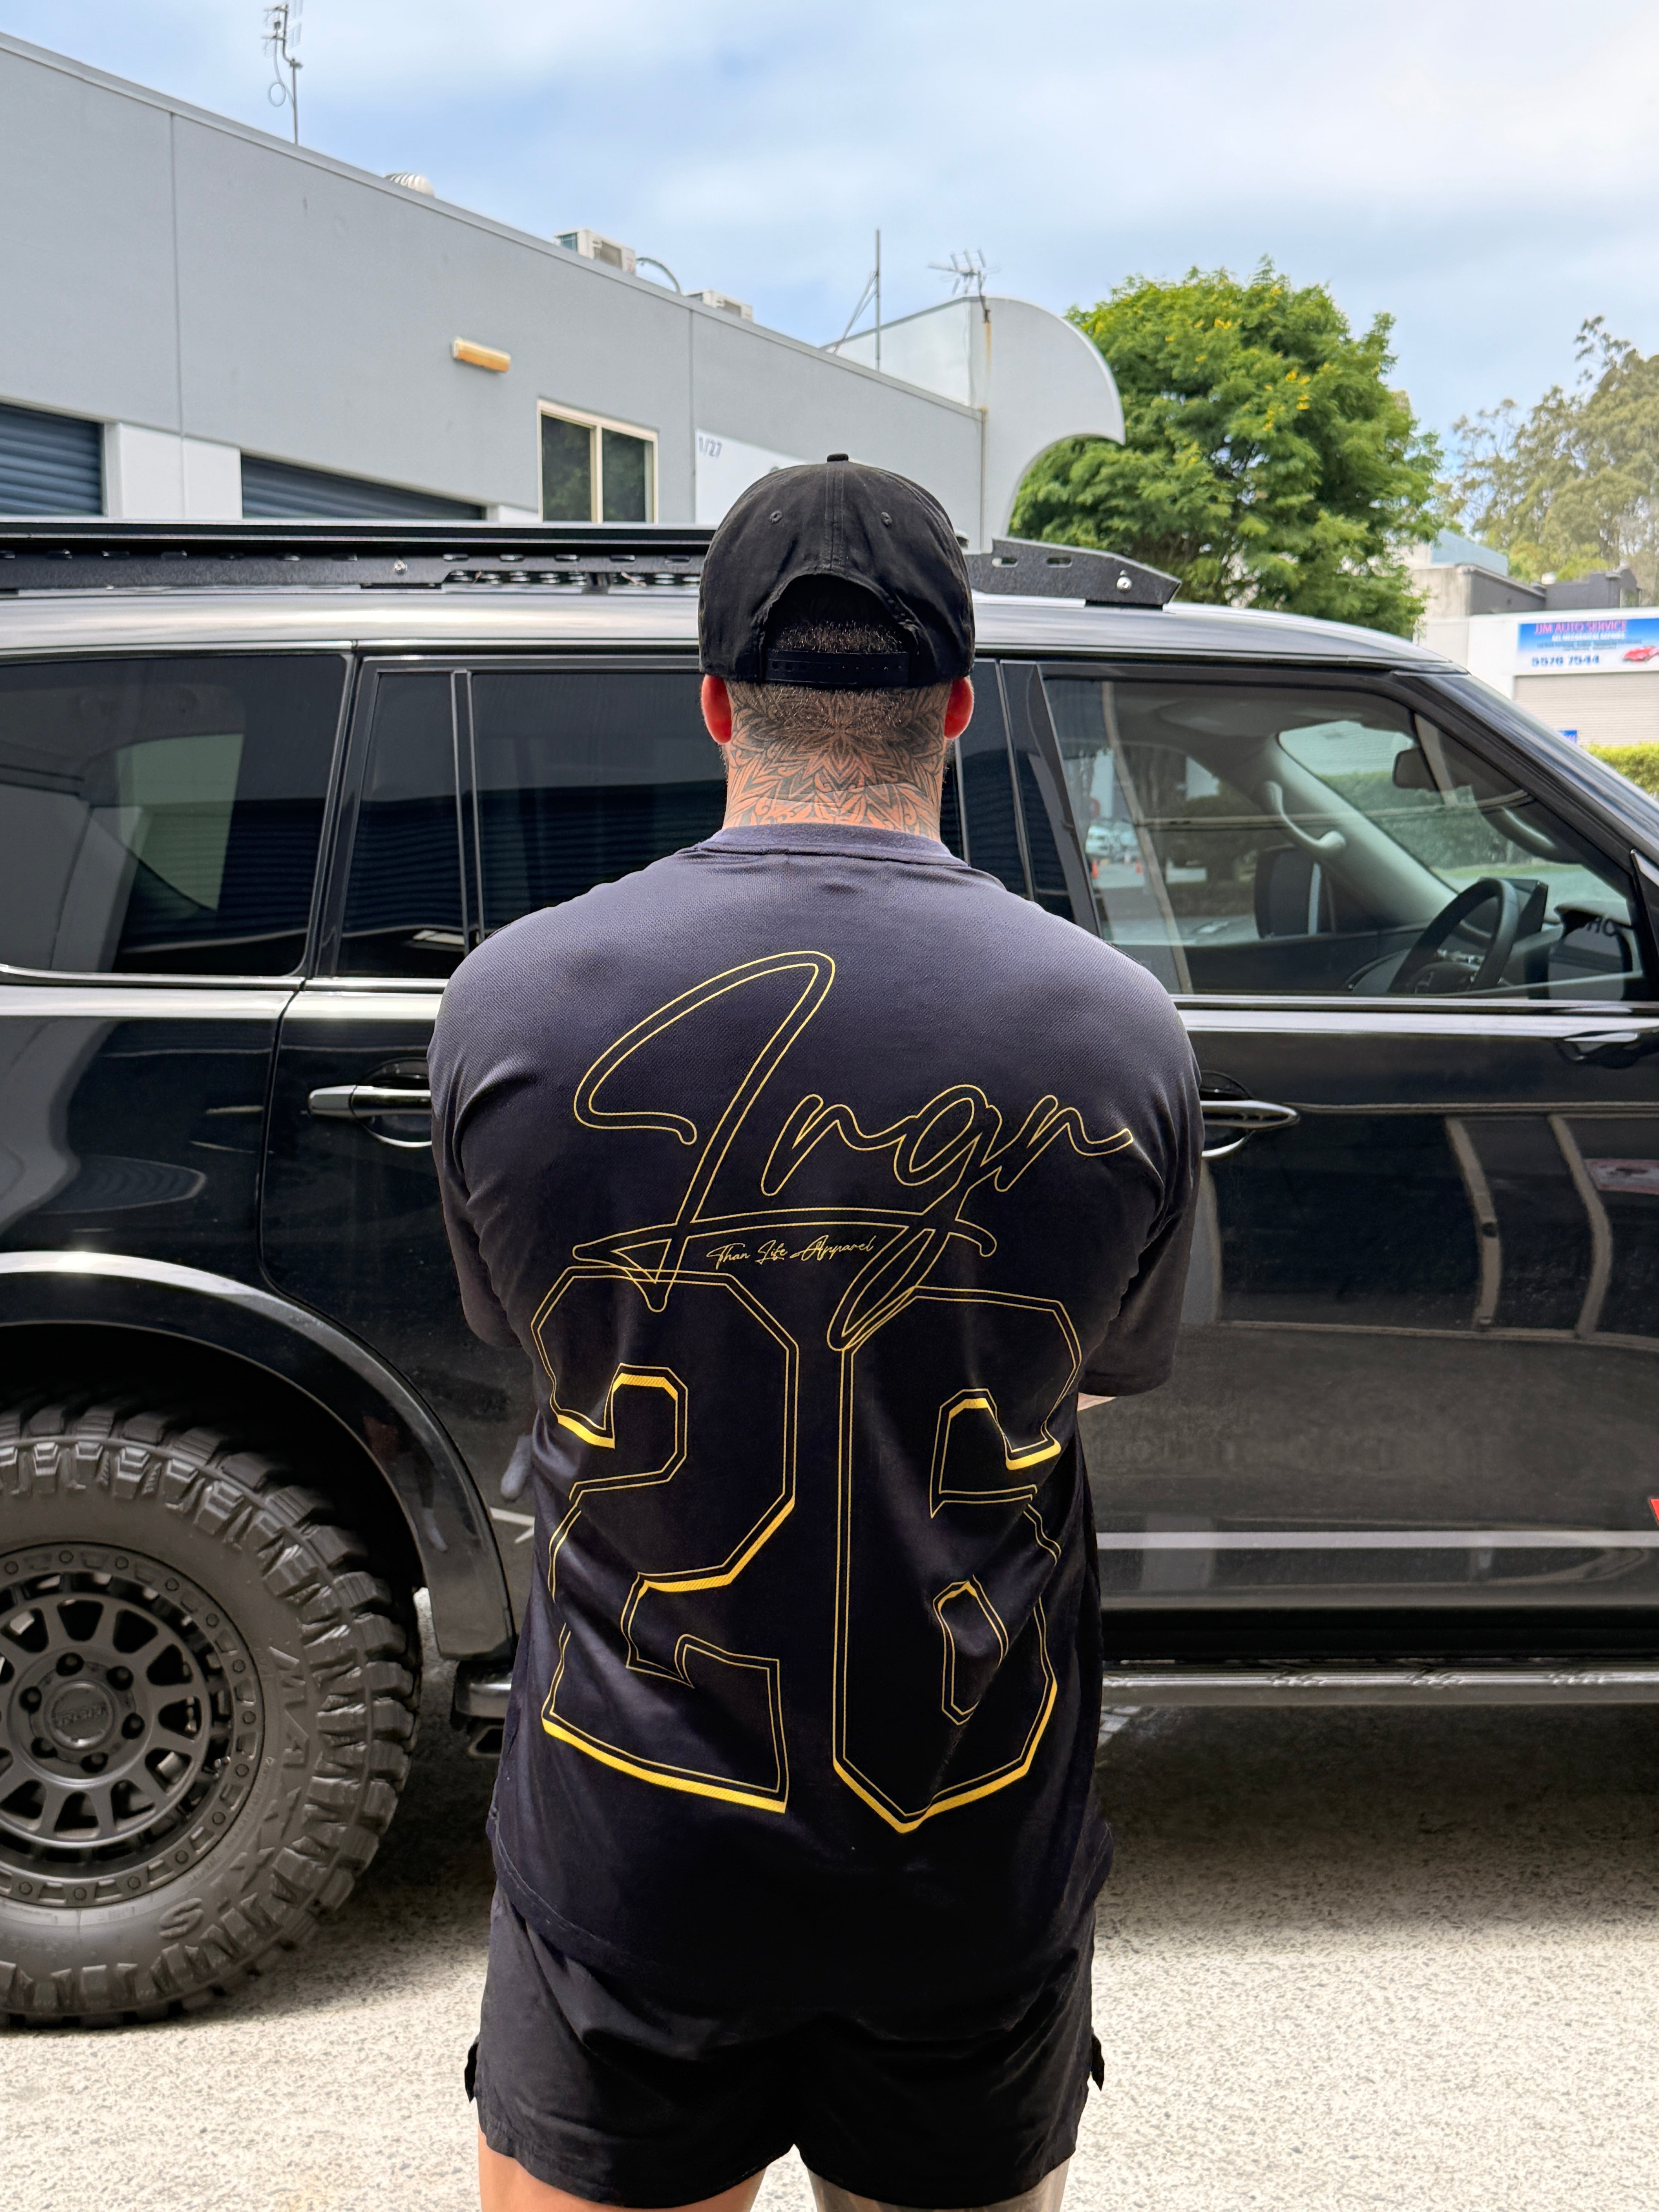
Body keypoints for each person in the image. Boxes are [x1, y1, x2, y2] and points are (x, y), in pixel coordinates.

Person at [431, 457, 1201, 2212]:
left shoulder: (512, 1000)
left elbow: (549, 1348)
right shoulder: (1120, 1029)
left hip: (630, 1855)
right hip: (963, 1853)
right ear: (959, 708)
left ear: (715, 701)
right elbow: (1087, 1373)